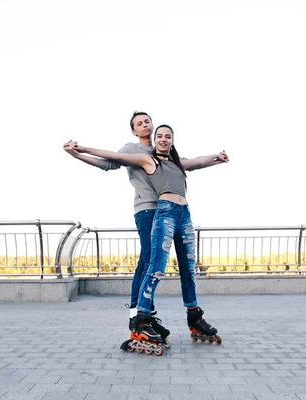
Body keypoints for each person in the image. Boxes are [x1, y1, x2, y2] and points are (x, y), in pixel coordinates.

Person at [65, 124, 228, 352]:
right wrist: (80, 149)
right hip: (165, 212)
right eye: (159, 136)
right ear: (156, 139)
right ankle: (142, 318)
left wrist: (217, 157)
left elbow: (199, 162)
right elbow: (113, 156)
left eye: (167, 136)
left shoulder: (177, 163)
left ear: (172, 140)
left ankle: (194, 317)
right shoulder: (149, 160)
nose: (163, 139)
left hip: (185, 215)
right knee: (156, 266)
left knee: (188, 270)